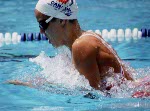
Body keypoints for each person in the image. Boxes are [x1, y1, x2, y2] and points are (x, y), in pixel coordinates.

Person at [7, 0, 150, 97]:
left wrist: (37, 87)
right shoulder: (87, 37)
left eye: (43, 24)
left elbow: (94, 96)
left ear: (62, 20)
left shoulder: (81, 46)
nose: (41, 32)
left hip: (139, 95)